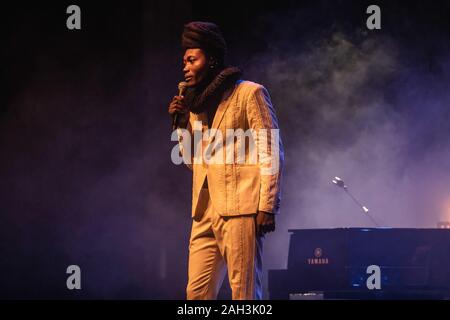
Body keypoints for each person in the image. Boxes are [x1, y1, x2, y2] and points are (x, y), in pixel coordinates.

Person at [168, 21, 284, 300]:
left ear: (211, 59)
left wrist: (267, 204)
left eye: (192, 60)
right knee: (196, 296)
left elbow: (271, 149)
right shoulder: (195, 107)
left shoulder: (249, 93)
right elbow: (192, 162)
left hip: (240, 208)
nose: (185, 67)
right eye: (184, 61)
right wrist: (181, 125)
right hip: (204, 210)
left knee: (243, 294)